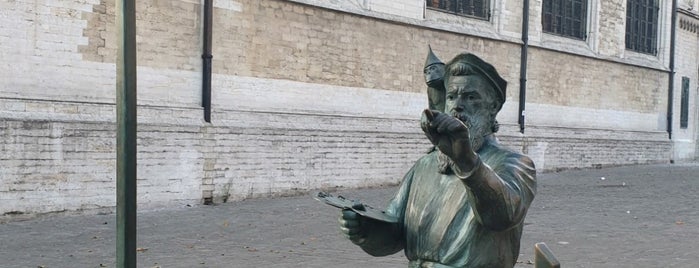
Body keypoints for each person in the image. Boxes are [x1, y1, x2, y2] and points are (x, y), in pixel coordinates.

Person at [338, 53, 537, 268]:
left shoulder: (515, 164)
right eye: (452, 97)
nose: (457, 106)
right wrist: (366, 230)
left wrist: (466, 161)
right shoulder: (424, 165)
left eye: (471, 97)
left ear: (494, 107)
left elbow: (501, 217)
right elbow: (397, 232)